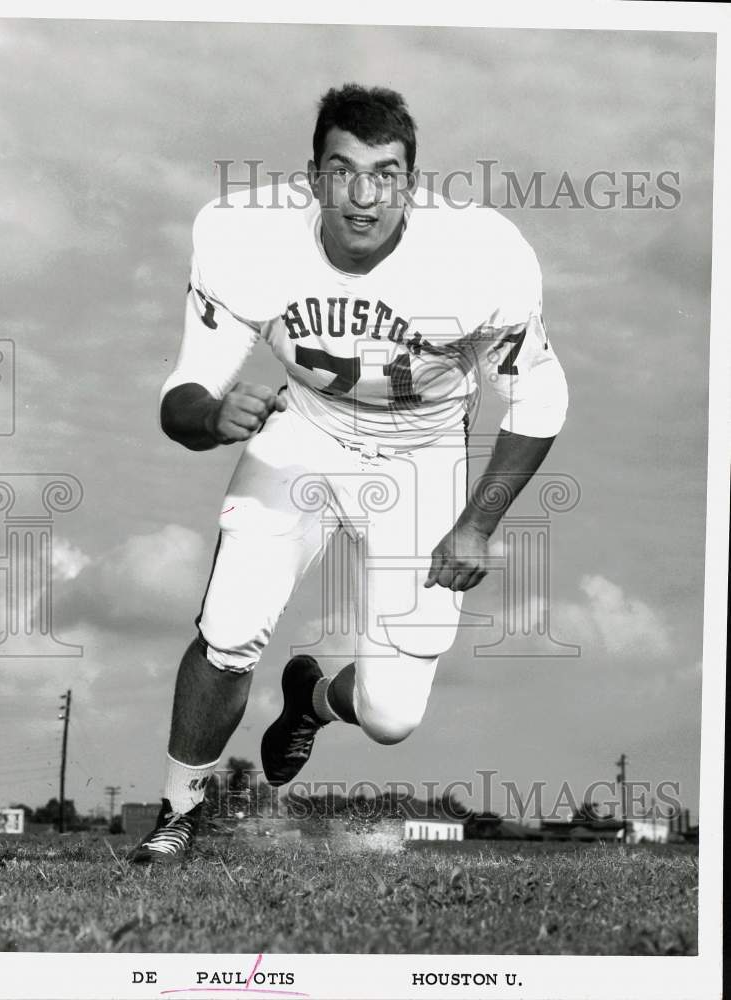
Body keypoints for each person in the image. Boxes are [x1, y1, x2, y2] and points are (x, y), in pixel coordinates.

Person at [128, 84, 568, 863]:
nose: (364, 196)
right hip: (304, 430)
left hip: (423, 455)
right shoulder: (245, 236)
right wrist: (210, 417)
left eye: (386, 174)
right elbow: (184, 392)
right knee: (228, 633)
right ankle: (178, 810)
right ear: (312, 176)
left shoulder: (480, 257)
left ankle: (312, 702)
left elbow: (540, 397)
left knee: (392, 716)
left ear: (412, 181)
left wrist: (477, 523)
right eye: (343, 171)